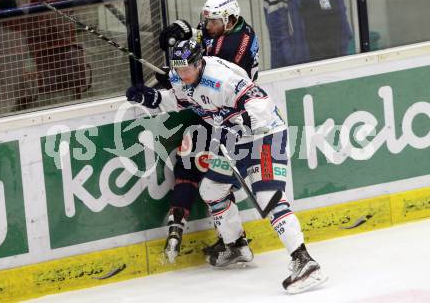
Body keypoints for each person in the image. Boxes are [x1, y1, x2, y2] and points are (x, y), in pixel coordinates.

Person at [126, 39, 327, 294]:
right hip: (233, 140)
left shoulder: (222, 78)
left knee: (269, 197)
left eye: (187, 68)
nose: (182, 74)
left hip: (265, 135)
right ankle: (236, 246)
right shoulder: (181, 77)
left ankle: (305, 261)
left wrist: (240, 120)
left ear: (199, 63)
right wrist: (152, 98)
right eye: (179, 70)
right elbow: (180, 101)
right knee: (211, 189)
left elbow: (261, 103)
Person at [156, 0, 260, 263]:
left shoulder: (238, 43)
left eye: (212, 22)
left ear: (230, 20)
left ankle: (236, 243)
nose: (206, 25)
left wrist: (175, 75)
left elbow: (205, 65)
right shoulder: (227, 30)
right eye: (205, 20)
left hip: (231, 119)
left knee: (213, 180)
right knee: (195, 168)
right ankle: (234, 242)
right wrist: (189, 30)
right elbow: (201, 45)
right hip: (213, 114)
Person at [263, 0, 352, 68]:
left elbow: (342, 17)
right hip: (304, 71)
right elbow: (278, 39)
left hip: (336, 64)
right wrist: (297, 66)